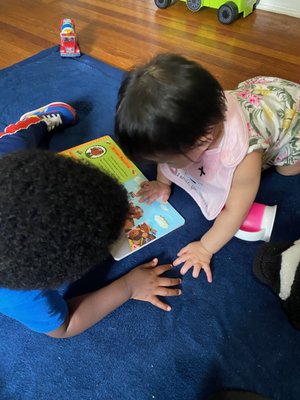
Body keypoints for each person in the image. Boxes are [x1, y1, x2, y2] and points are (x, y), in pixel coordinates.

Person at [0, 103, 182, 338]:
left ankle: (35, 123)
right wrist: (128, 286)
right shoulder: (18, 294)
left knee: (16, 143)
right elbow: (63, 327)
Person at [115, 53, 300, 282]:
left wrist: (205, 248)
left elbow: (235, 211)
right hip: (258, 96)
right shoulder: (197, 122)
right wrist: (162, 183)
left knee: (288, 170)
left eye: (170, 161)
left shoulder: (244, 155)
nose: (163, 165)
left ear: (203, 139)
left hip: (291, 120)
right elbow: (166, 158)